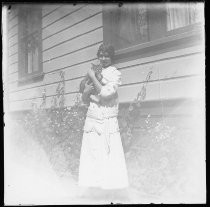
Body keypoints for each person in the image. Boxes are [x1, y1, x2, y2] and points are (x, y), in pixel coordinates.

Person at [78, 43, 129, 191]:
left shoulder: (115, 73)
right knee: (92, 152)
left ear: (112, 57)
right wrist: (86, 91)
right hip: (93, 117)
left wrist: (93, 77)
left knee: (108, 152)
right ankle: (93, 188)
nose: (103, 58)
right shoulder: (94, 69)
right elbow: (85, 98)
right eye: (101, 55)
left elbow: (106, 93)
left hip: (106, 118)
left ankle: (110, 189)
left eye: (107, 55)